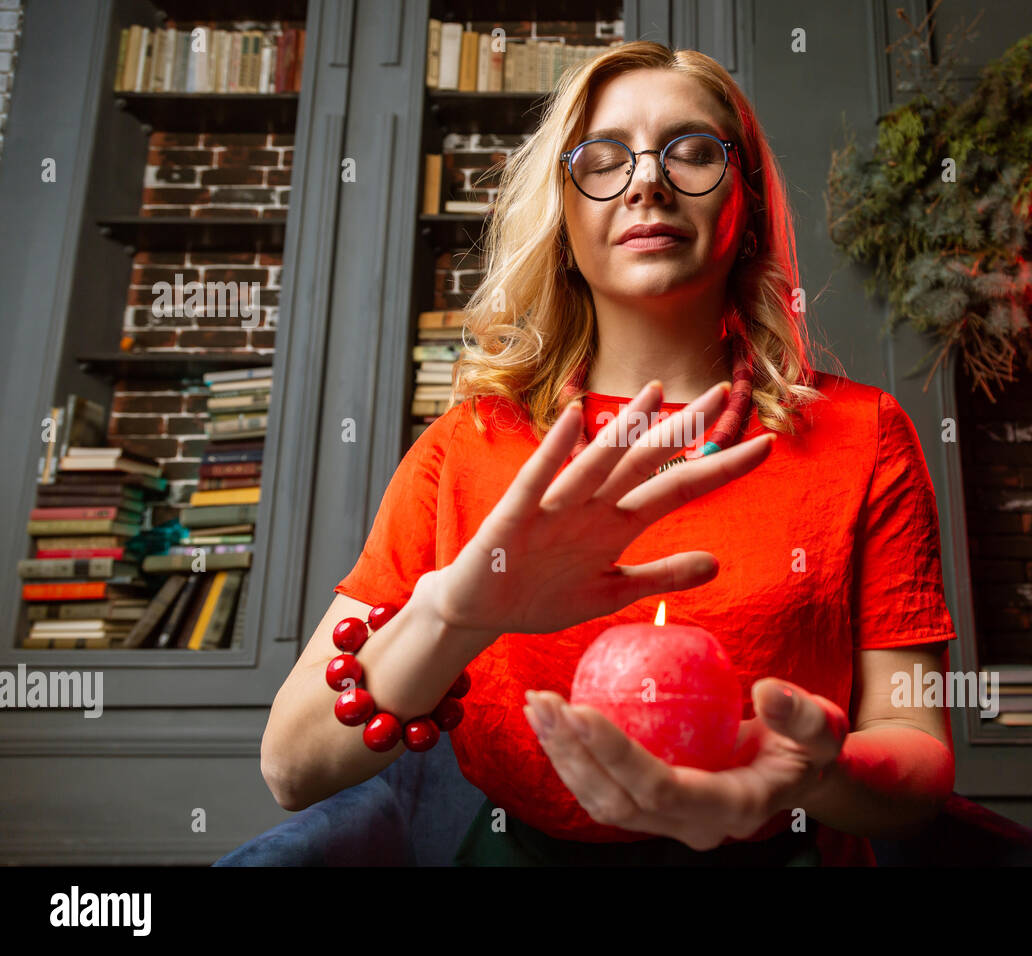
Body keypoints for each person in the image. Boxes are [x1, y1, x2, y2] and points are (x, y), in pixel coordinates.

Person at [261, 41, 957, 866]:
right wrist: (456, 613)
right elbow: (292, 766)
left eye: (693, 151)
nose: (647, 182)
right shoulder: (472, 444)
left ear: (750, 207)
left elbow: (914, 745)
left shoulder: (863, 433)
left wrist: (808, 772)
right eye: (603, 158)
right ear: (563, 217)